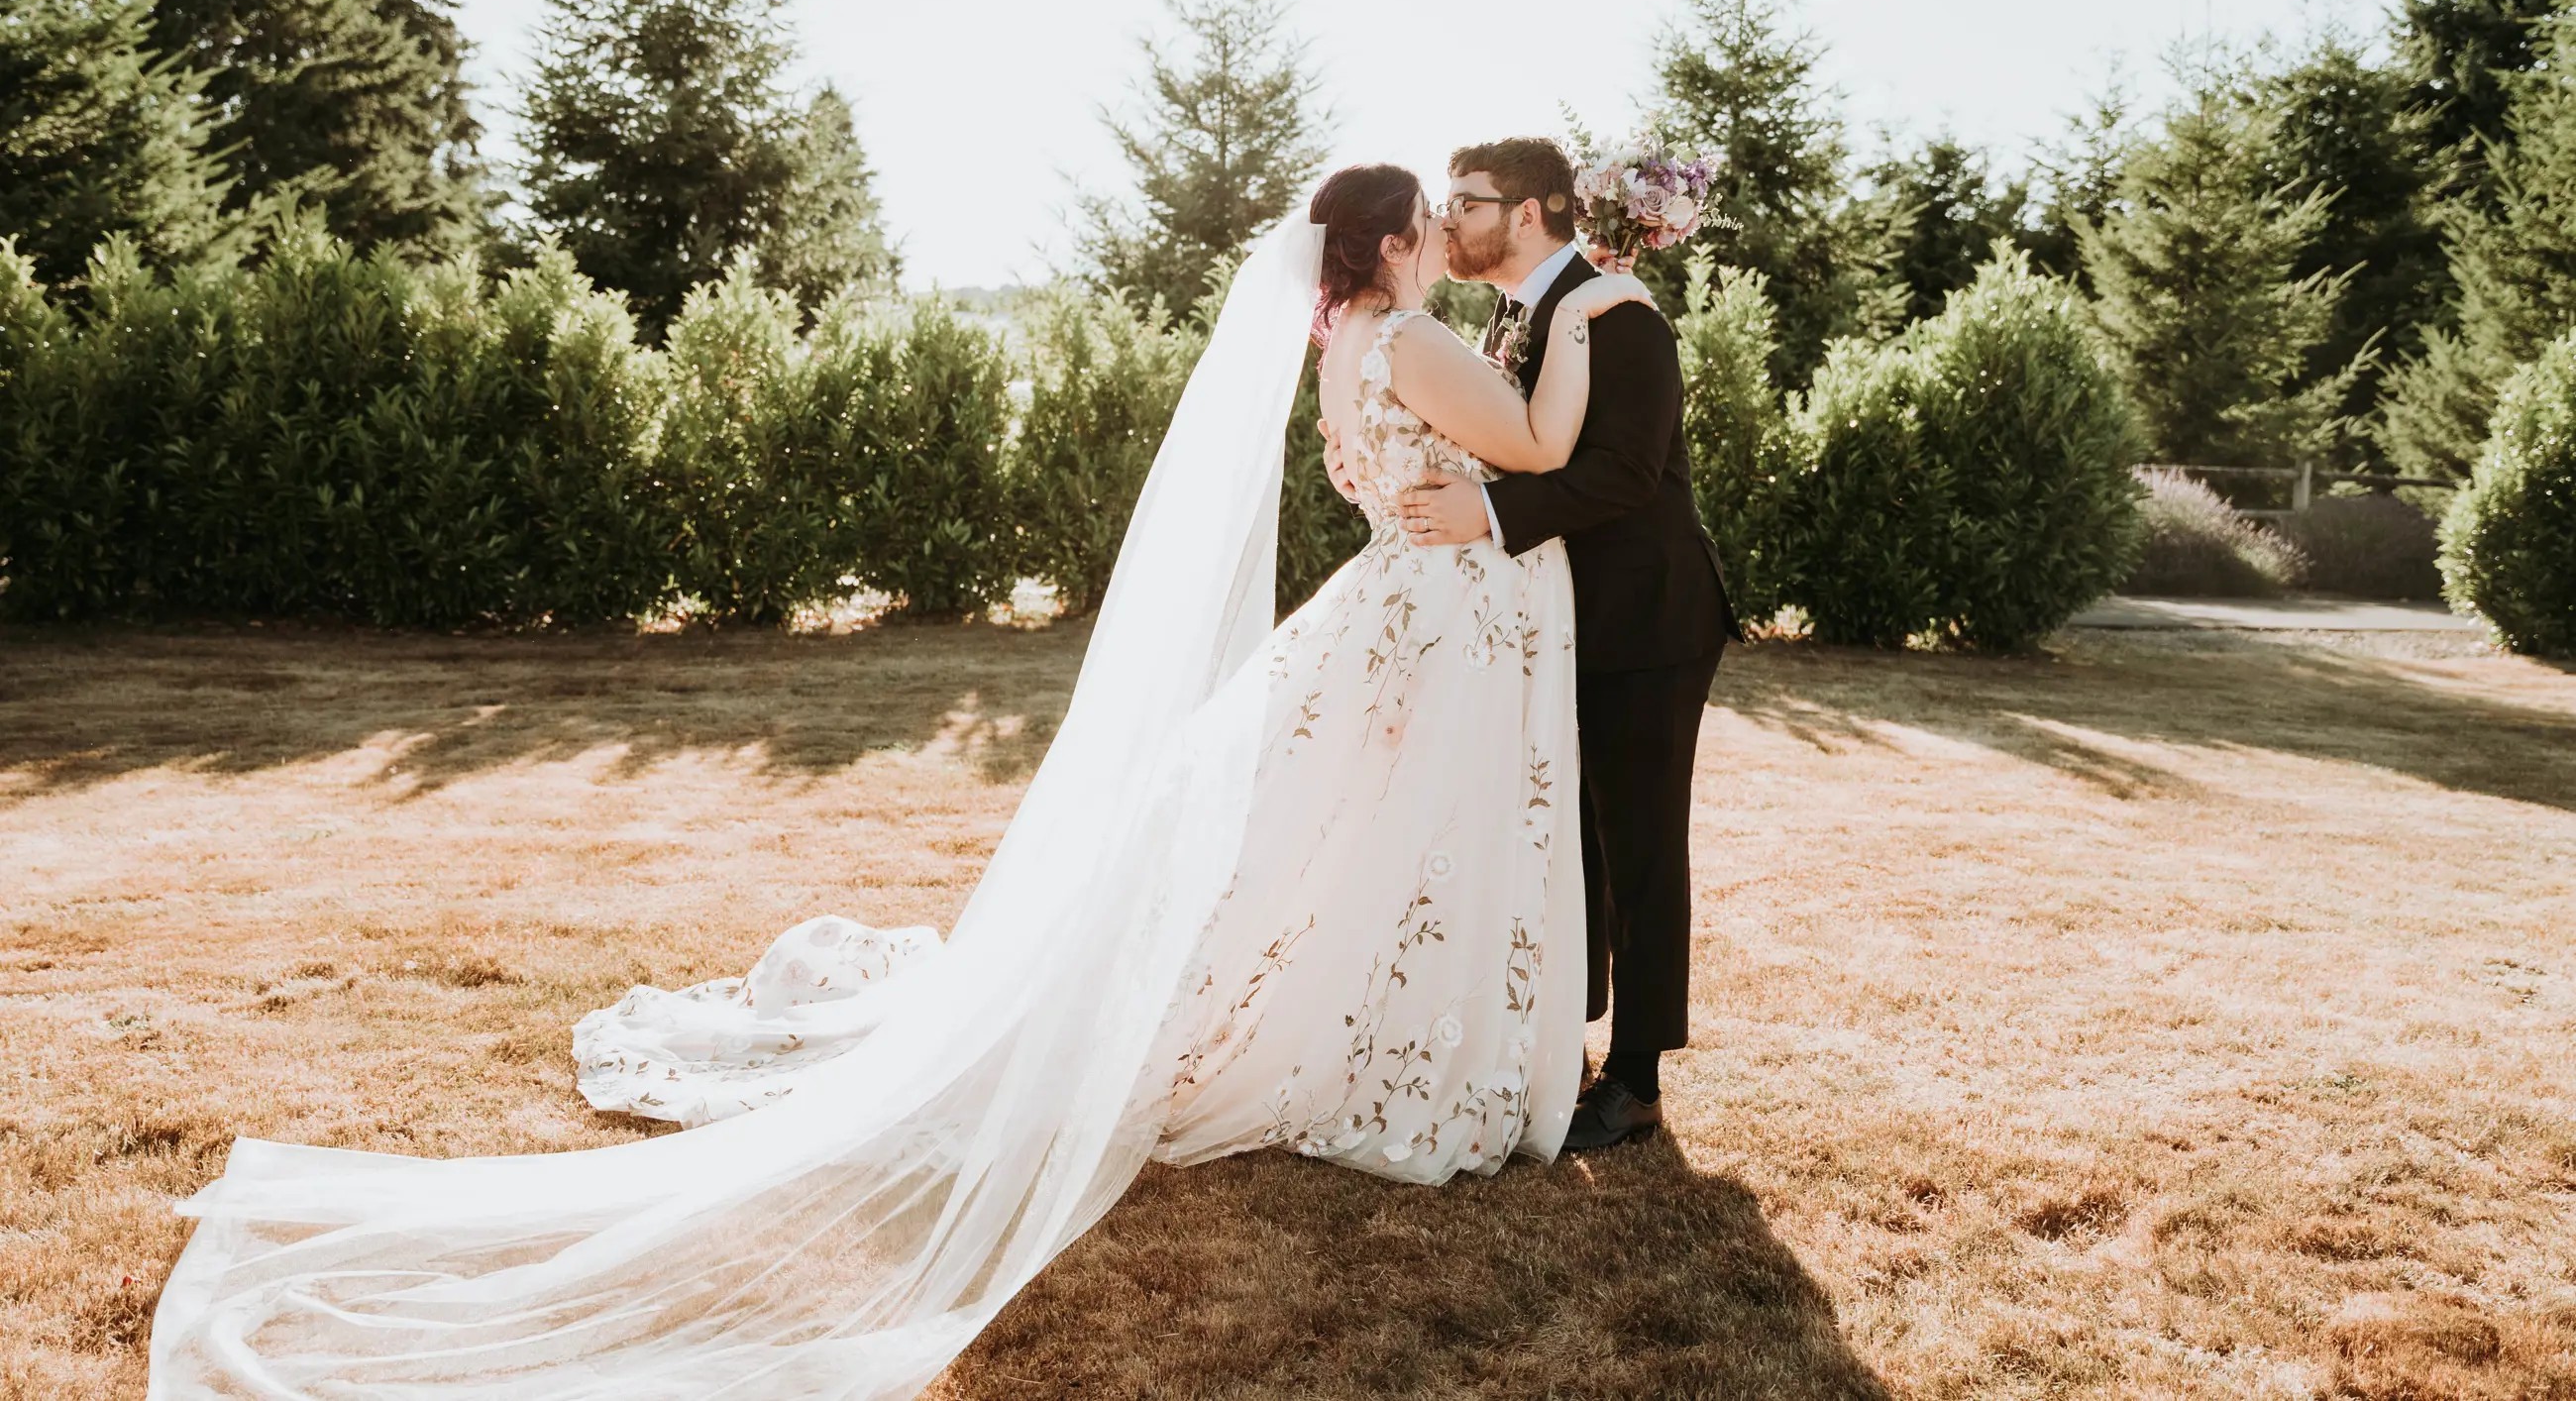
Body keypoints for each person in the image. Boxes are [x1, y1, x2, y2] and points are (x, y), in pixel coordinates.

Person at [147, 164, 1656, 1399]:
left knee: (1345, 844)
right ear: (1391, 244)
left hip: (1406, 607)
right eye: (1429, 227)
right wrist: (1596, 296)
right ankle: (1389, 1046)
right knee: (1396, 840)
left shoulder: (1337, 351)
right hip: (1439, 619)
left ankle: (1350, 1025)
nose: (1447, 245)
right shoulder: (1411, 338)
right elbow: (1535, 438)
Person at [1390, 137, 1738, 1152]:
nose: (1446, 218)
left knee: (1636, 840)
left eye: (1466, 201)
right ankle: (1564, 1038)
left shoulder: (1619, 315)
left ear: (1533, 211)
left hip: (1647, 617)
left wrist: (1488, 514)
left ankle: (1635, 1080)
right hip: (1559, 623)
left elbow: (1627, 474)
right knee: (1565, 837)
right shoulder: (1511, 313)